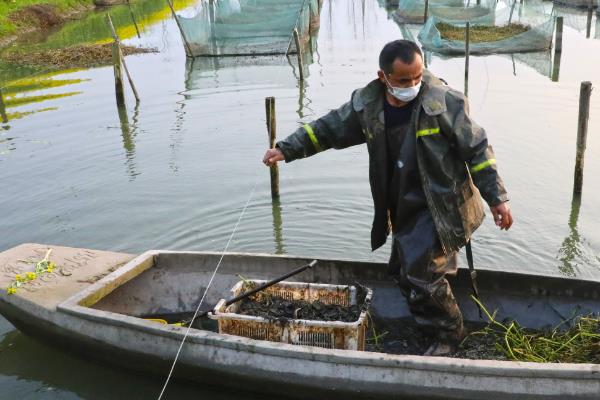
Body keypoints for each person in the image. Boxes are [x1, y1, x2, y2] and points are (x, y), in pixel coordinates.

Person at [262, 39, 513, 356]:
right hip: (401, 203)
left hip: (441, 205)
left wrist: (497, 199)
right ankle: (428, 327)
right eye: (403, 80)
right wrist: (286, 149)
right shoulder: (367, 106)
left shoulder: (446, 103)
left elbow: (478, 152)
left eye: (418, 77)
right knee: (401, 272)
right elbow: (327, 129)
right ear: (384, 77)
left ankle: (450, 336)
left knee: (422, 276)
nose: (413, 85)